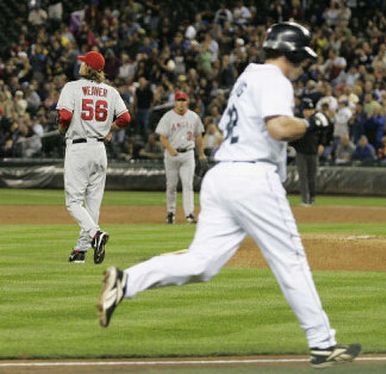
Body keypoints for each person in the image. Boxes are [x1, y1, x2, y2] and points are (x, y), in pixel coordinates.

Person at [97, 22, 361, 369]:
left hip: (222, 177)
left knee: (201, 264)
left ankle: (127, 280)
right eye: (302, 57)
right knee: (291, 260)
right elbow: (279, 128)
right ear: (292, 52)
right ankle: (323, 343)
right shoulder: (274, 78)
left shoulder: (248, 77)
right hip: (252, 177)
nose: (302, 65)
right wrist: (313, 123)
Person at [57, 50, 130, 264]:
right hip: (99, 150)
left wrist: (62, 128)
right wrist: (110, 130)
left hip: (79, 148)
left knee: (73, 203)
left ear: (88, 67)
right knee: (92, 204)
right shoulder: (111, 91)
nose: (80, 65)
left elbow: (65, 115)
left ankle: (96, 235)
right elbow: (125, 118)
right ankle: (80, 251)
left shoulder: (72, 87)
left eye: (83, 63)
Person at [155, 90, 206, 224]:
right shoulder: (168, 117)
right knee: (171, 186)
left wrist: (201, 154)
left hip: (188, 153)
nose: (181, 103)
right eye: (179, 100)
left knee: (188, 185)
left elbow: (199, 136)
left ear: (187, 101)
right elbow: (162, 137)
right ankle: (170, 213)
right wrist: (170, 149)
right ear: (175, 102)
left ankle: (189, 214)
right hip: (172, 155)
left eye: (183, 100)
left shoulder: (194, 117)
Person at [290, 98, 332, 206]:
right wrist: (294, 145)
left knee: (312, 177)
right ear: (303, 110)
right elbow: (293, 136)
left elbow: (325, 132)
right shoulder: (298, 120)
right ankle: (305, 199)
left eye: (311, 109)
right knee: (303, 177)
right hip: (301, 152)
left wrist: (322, 144)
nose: (309, 111)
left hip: (313, 152)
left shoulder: (317, 121)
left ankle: (312, 198)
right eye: (307, 109)